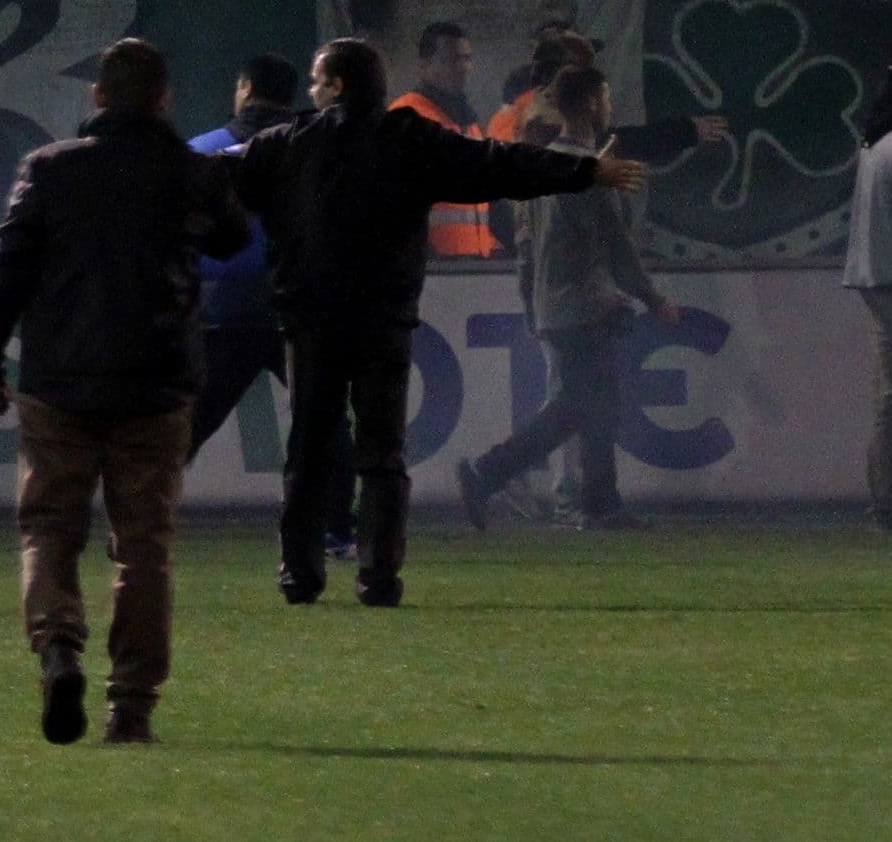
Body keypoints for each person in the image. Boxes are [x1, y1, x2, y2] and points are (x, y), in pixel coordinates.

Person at [228, 39, 646, 607]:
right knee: (382, 453)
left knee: (309, 447)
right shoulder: (409, 140)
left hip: (312, 320)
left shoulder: (289, 144)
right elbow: (502, 165)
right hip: (385, 318)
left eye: (317, 80)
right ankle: (379, 577)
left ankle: (299, 574)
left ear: (338, 87)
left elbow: (211, 179)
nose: (310, 90)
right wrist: (584, 172)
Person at [0, 39, 249, 747]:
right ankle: (131, 707)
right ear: (164, 98)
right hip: (155, 386)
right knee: (143, 547)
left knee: (49, 530)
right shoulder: (190, 172)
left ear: (97, 97)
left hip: (59, 384)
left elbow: (5, 272)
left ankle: (58, 648)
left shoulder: (49, 171)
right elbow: (232, 240)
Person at [454, 67, 681, 533]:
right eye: (607, 97)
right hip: (586, 303)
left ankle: (601, 503)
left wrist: (530, 304)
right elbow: (615, 244)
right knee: (577, 407)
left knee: (595, 405)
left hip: (554, 304)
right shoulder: (589, 173)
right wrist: (653, 297)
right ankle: (489, 472)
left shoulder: (543, 165)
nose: (610, 107)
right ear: (595, 101)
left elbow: (526, 247)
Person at [182, 56, 356, 557]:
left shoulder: (203, 149)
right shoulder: (317, 145)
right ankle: (336, 530)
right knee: (323, 418)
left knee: (188, 420)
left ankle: (141, 514)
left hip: (223, 304)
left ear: (244, 87)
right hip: (302, 302)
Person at [389, 22, 497, 259]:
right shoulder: (407, 117)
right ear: (424, 65)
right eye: (450, 60)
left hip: (474, 267)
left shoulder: (468, 122)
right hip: (435, 271)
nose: (462, 68)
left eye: (466, 59)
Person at [849, 66, 892, 534]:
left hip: (876, 279)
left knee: (889, 397)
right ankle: (885, 505)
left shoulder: (874, 147)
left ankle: (884, 503)